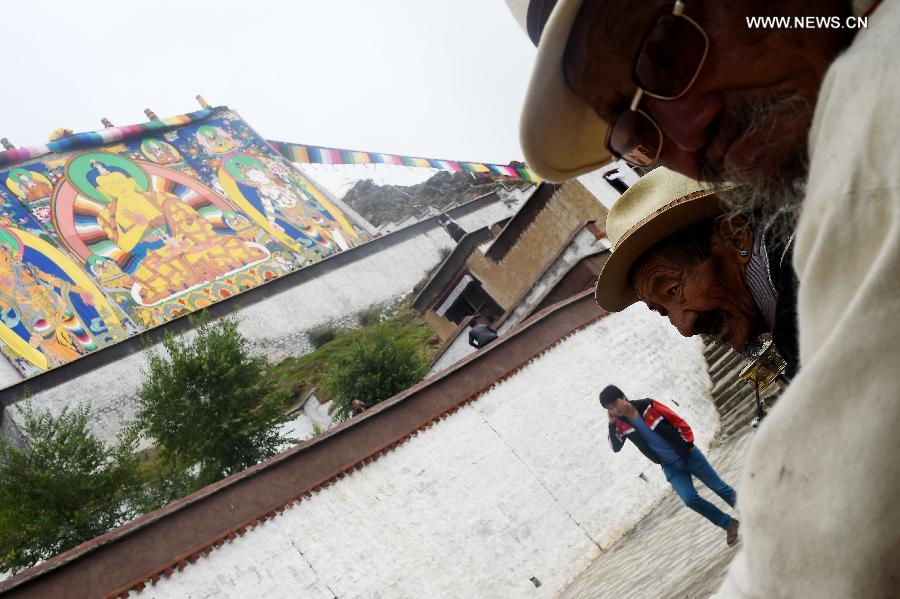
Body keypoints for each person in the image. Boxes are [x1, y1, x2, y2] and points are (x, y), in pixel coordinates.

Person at [506, 0, 900, 595]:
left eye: (665, 49)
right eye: (634, 134)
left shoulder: (874, 112)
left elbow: (828, 548)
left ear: (737, 232)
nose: (687, 138)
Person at [593, 167, 798, 379]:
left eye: (673, 290)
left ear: (735, 236)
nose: (685, 328)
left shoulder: (809, 278)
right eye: (664, 311)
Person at [600, 384, 739, 545]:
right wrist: (611, 424)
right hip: (670, 466)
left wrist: (688, 444)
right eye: (610, 408)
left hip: (688, 455)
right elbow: (615, 447)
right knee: (689, 499)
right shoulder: (620, 426)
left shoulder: (648, 405)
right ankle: (729, 524)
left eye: (615, 404)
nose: (615, 410)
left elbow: (677, 421)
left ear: (623, 397)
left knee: (719, 488)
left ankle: (750, 510)